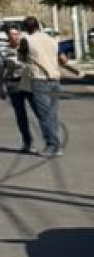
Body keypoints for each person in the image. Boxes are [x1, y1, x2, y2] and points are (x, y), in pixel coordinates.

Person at [17, 15, 79, 157]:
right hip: (55, 79)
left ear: (26, 28)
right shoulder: (52, 40)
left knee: (44, 115)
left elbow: (21, 58)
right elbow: (60, 57)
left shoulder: (27, 40)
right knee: (52, 114)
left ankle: (52, 145)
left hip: (40, 79)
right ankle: (55, 143)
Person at [3, 24, 35, 153]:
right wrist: (0, 88)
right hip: (13, 84)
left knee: (39, 111)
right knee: (20, 115)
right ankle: (27, 143)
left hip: (28, 81)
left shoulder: (27, 48)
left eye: (16, 34)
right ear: (8, 37)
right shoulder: (4, 51)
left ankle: (50, 142)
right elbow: (1, 70)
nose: (14, 37)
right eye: (11, 34)